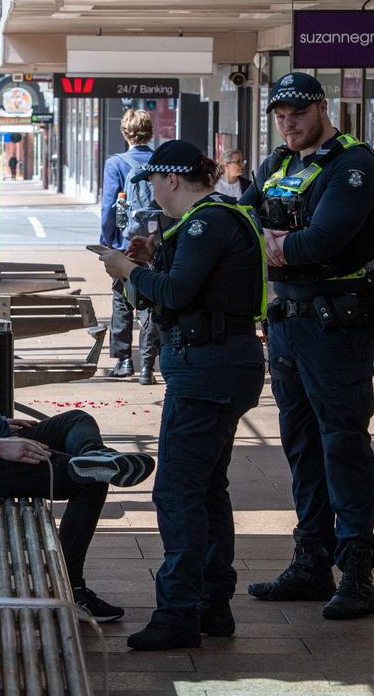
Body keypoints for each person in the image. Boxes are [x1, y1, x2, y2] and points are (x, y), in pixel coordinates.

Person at [0, 244, 156, 623]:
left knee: (74, 421)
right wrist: (0, 445)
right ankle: (69, 591)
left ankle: (97, 455)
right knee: (90, 484)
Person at [97, 140, 266, 650]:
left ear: (171, 180)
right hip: (222, 365)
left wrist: (127, 271)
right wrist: (154, 256)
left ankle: (178, 613)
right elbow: (194, 280)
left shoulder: (204, 222)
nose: (151, 191)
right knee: (207, 487)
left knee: (176, 491)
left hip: (206, 370)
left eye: (153, 182)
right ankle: (212, 605)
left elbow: (174, 293)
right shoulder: (217, 219)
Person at [238, 72, 374, 621]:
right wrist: (275, 245)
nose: (289, 122)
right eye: (281, 114)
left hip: (336, 325)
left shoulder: (354, 166)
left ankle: (356, 573)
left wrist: (273, 246)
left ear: (323, 108)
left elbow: (324, 240)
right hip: (286, 322)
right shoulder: (278, 163)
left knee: (342, 443)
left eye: (298, 112)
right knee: (301, 445)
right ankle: (311, 562)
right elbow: (244, 222)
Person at [99, 108, 162, 384]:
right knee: (151, 302)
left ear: (125, 133)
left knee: (122, 298)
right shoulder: (160, 161)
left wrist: (108, 242)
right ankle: (148, 365)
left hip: (125, 242)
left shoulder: (116, 163)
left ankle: (125, 360)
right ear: (151, 133)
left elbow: (108, 207)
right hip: (155, 243)